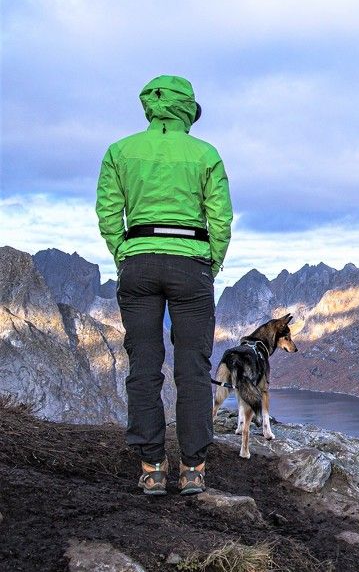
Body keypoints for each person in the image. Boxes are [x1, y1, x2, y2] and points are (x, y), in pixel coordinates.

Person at [96, 75, 233, 496]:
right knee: (193, 369)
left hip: (139, 264)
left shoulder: (120, 151)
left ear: (150, 107)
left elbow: (107, 211)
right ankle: (193, 469)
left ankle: (152, 466)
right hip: (190, 264)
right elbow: (221, 218)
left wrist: (124, 253)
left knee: (144, 367)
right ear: (188, 107)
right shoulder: (205, 153)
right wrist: (211, 263)